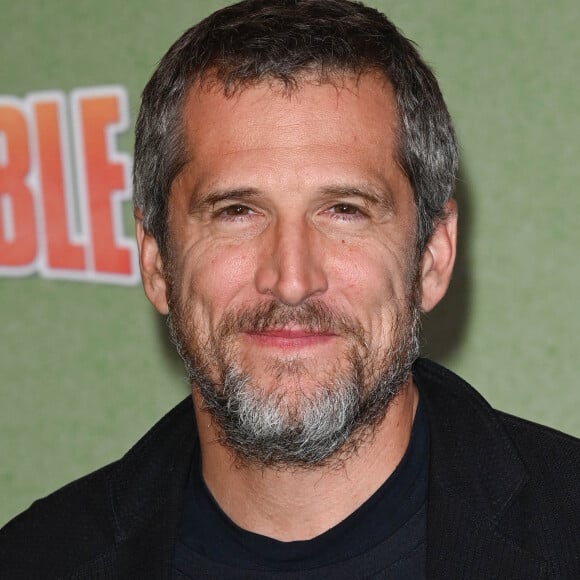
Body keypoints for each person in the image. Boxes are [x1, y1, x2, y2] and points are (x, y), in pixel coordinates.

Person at [1, 0, 578, 578]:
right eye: (237, 211)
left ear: (432, 256)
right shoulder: (36, 559)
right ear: (156, 263)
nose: (292, 279)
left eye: (345, 210)